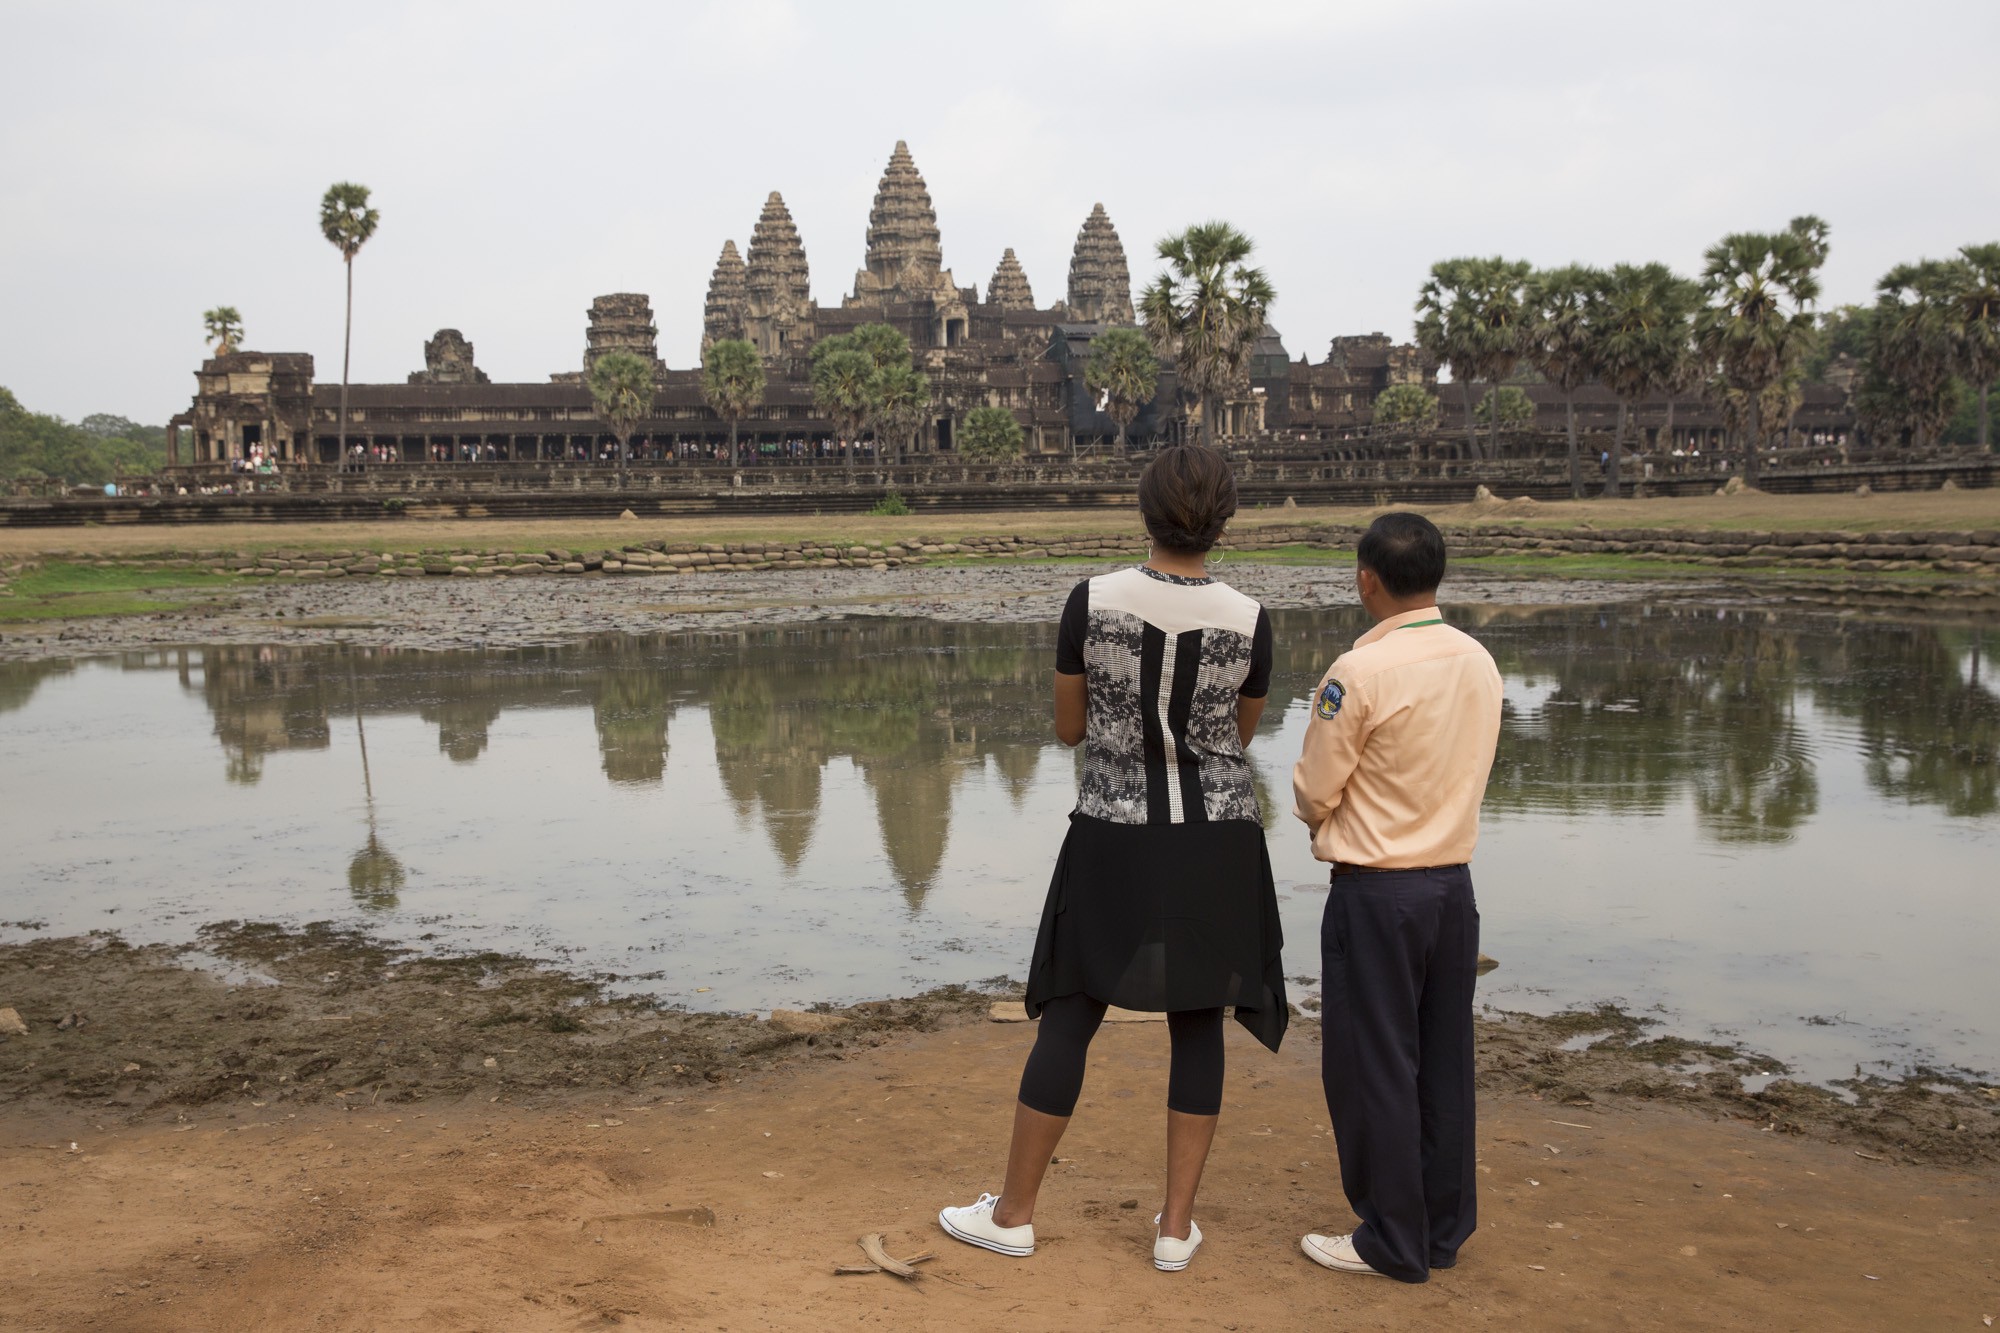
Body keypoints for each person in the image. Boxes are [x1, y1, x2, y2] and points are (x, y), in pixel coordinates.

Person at [938, 445, 1287, 1273]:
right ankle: (1174, 1228)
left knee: (1075, 1007)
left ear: (1145, 511)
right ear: (1225, 519)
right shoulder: (1250, 616)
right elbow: (1235, 739)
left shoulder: (1090, 601)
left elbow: (1068, 728)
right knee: (1198, 1018)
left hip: (1113, 829)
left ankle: (1015, 1213)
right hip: (1217, 836)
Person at [1291, 511, 1502, 1283]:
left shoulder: (1360, 672)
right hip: (1451, 885)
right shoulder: (1477, 659)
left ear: (1366, 579)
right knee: (1442, 1058)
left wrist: (1337, 816)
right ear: (1436, 576)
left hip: (1378, 889)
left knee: (1374, 1061)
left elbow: (1314, 791)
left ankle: (1390, 1236)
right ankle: (1441, 1227)